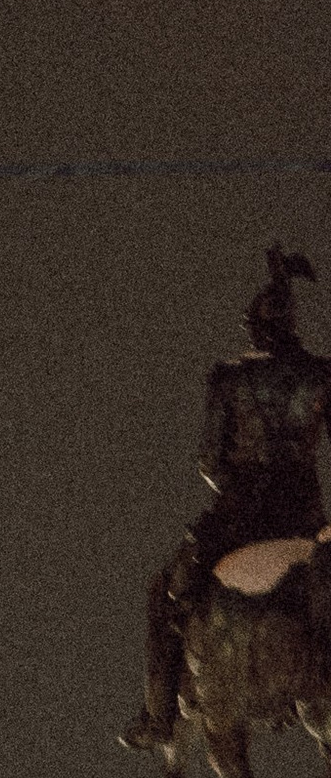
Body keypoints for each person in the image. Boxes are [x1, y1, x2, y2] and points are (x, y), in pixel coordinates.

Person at [128, 244, 331, 747]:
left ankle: (158, 717)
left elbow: (209, 462)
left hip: (239, 518)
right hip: (306, 518)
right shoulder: (323, 375)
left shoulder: (229, 376)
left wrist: (236, 486)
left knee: (167, 592)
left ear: (256, 330)